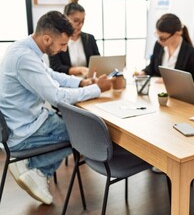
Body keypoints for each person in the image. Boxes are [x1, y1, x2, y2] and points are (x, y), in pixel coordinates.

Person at [0, 11, 113, 205]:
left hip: (25, 120)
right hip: (23, 131)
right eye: (62, 44)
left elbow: (51, 75)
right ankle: (36, 169)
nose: (63, 50)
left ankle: (36, 169)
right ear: (46, 38)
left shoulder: (25, 48)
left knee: (76, 128)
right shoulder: (25, 58)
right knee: (84, 134)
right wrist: (96, 89)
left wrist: (82, 83)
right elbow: (57, 96)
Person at [140, 13, 194, 83]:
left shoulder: (192, 54)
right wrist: (143, 72)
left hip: (178, 93)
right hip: (157, 90)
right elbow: (152, 67)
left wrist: (169, 81)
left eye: (162, 38)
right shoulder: (158, 45)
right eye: (158, 36)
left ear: (177, 34)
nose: (159, 41)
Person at [49, 0, 100, 77]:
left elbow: (97, 62)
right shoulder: (56, 40)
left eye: (83, 21)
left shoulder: (89, 38)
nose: (80, 25)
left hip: (88, 81)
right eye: (76, 21)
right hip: (65, 84)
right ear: (65, 18)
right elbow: (56, 67)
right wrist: (79, 70)